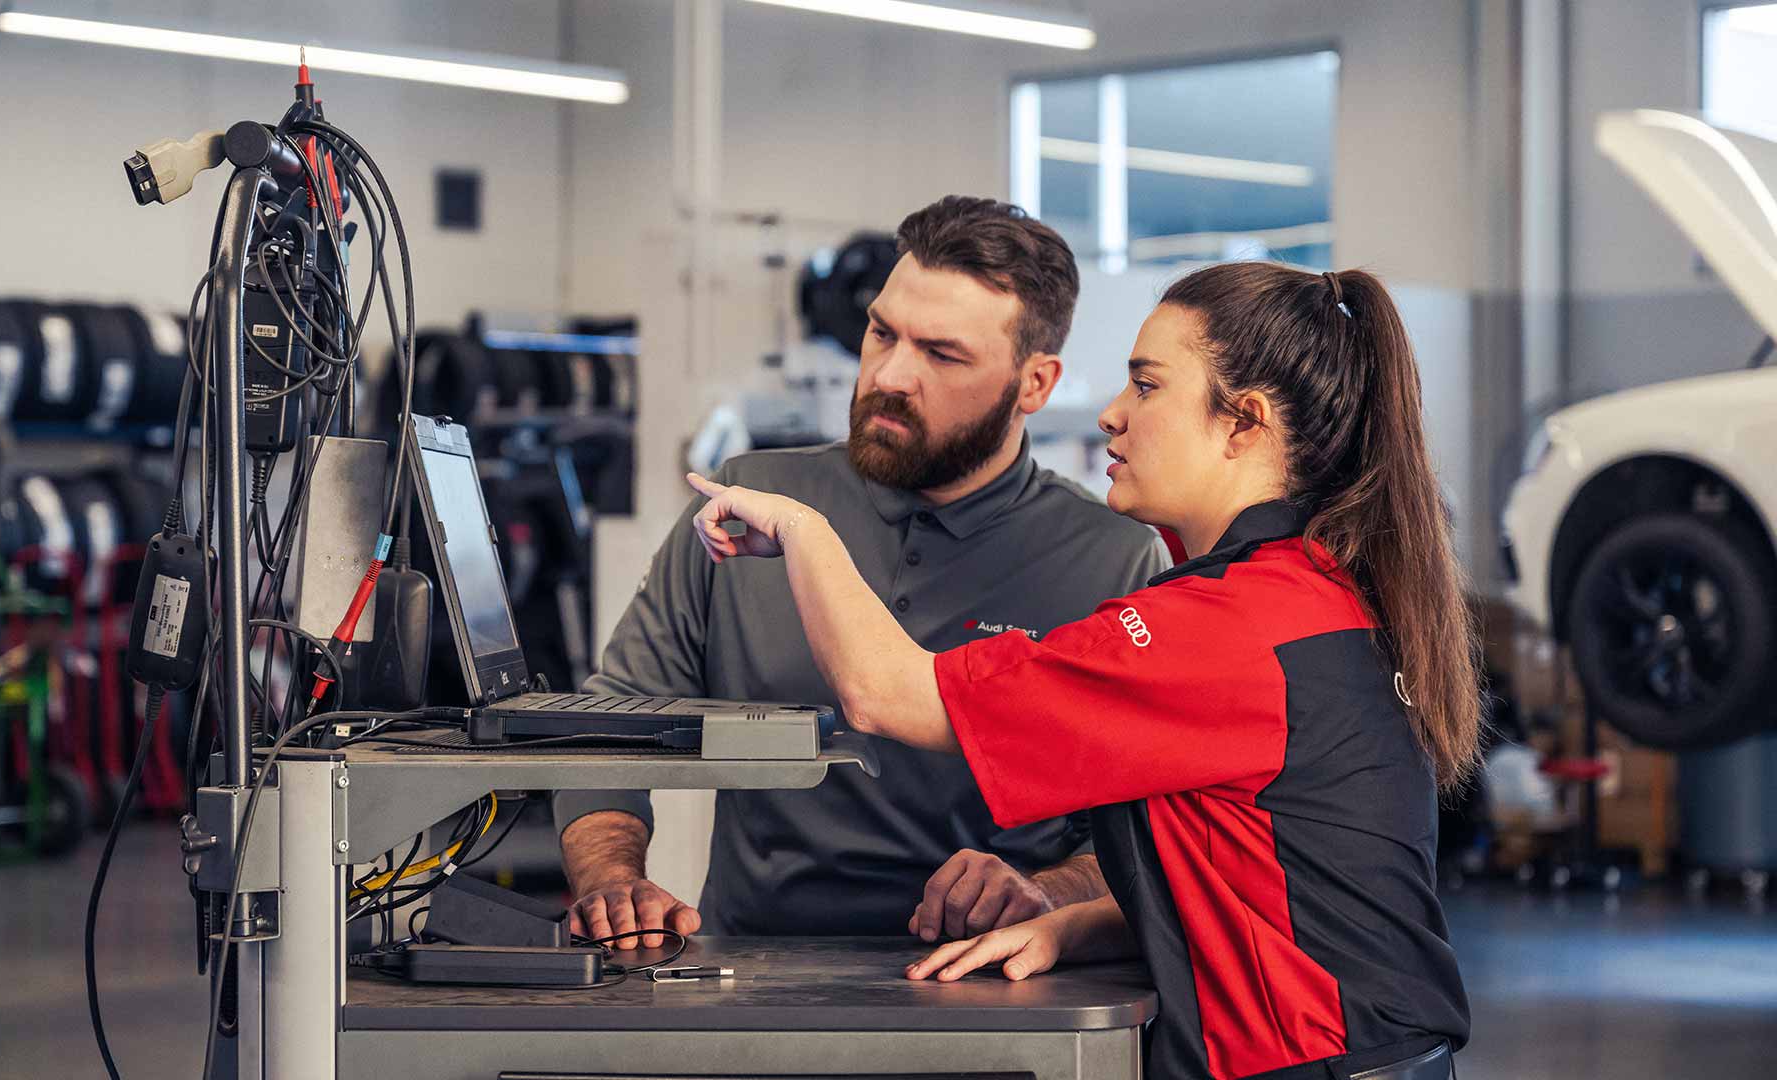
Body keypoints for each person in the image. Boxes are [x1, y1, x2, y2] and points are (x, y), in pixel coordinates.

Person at [683, 262, 1479, 1080]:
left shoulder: (1224, 626)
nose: (1112, 415)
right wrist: (1084, 923)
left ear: (1243, 423)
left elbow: (888, 694)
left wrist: (804, 530)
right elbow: (1283, 887)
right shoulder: (1319, 591)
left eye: (1147, 386)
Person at [554, 196, 1171, 947]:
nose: (890, 375)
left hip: (991, 981)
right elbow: (608, 724)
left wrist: (1046, 888)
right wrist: (613, 880)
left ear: (1034, 384)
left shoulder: (1113, 556)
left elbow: (1147, 820)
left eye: (942, 354)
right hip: (755, 970)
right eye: (882, 333)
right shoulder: (748, 500)